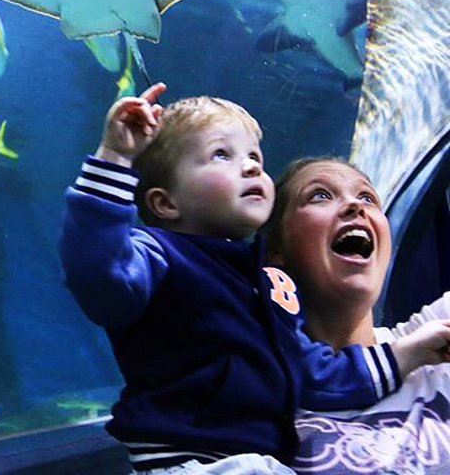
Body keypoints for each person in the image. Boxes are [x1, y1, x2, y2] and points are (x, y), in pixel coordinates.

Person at [58, 85, 450, 475]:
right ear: (165, 203)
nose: (249, 167)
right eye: (221, 155)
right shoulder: (159, 256)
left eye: (255, 159)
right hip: (185, 459)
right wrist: (114, 159)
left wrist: (407, 354)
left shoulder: (261, 285)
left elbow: (316, 373)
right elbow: (97, 272)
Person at [265, 156, 450, 474]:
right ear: (273, 252)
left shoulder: (434, 337)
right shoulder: (249, 384)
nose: (355, 206)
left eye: (367, 197)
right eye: (320, 195)